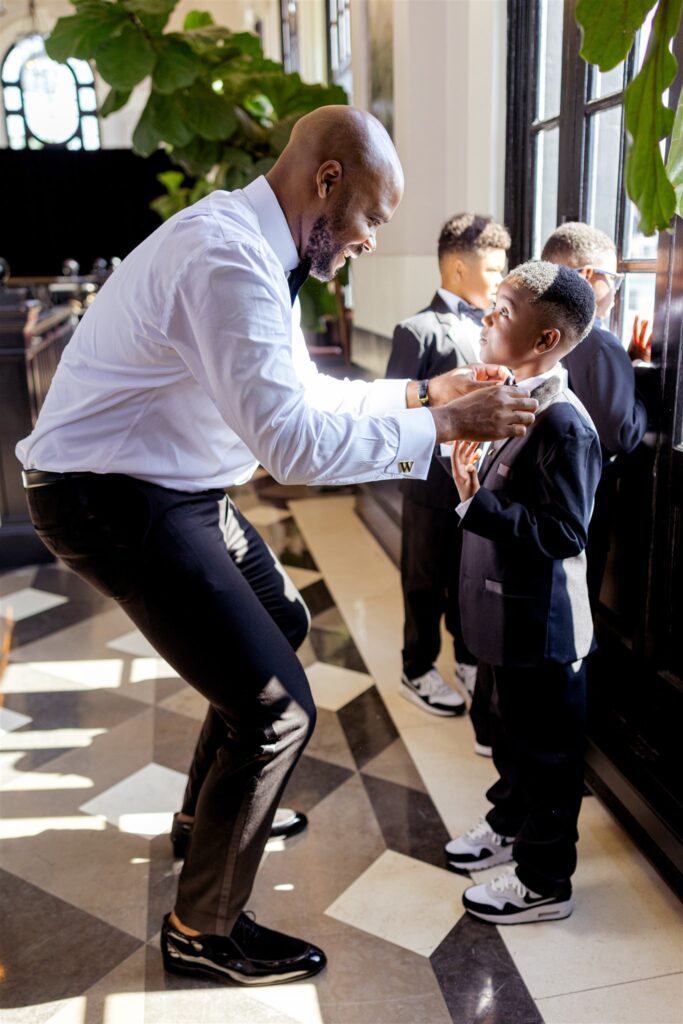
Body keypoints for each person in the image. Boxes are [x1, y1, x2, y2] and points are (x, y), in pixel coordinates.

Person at [16, 106, 538, 984]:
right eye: (372, 216)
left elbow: (300, 394)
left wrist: (421, 399)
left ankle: (202, 824)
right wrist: (448, 422)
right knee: (276, 706)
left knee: (279, 615)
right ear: (326, 183)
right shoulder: (226, 257)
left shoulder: (256, 245)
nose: (372, 239)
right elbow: (293, 447)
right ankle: (203, 929)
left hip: (172, 482)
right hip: (110, 496)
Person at [443, 261, 602, 924]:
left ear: (543, 341)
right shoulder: (511, 398)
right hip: (502, 612)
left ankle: (543, 880)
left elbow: (562, 532)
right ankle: (506, 828)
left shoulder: (563, 423)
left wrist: (473, 500)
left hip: (543, 624)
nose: (486, 316)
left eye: (502, 311)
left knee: (546, 753)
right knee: (509, 737)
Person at [386, 214, 510, 722]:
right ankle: (415, 668)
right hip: (430, 487)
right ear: (458, 269)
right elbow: (394, 411)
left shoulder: (497, 328)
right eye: (494, 269)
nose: (501, 280)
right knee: (423, 580)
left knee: (467, 577)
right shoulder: (416, 330)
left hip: (477, 486)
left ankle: (465, 657)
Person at [541, 222, 648, 610]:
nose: (616, 295)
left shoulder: (536, 327)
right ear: (587, 276)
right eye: (614, 280)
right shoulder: (601, 343)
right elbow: (621, 433)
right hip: (583, 496)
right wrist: (638, 386)